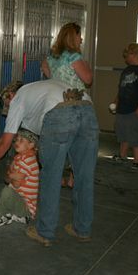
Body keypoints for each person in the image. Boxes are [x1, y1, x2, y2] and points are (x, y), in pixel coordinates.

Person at [0, 79, 99, 246]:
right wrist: (73, 170)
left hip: (59, 114)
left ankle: (45, 232)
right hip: (88, 109)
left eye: (6, 105)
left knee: (50, 177)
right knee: (84, 177)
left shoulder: (18, 98)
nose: (7, 111)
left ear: (11, 95)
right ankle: (82, 229)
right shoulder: (41, 89)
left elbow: (5, 142)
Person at [41, 22, 93, 187]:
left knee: (61, 144)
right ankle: (73, 179)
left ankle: (56, 178)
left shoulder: (52, 57)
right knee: (78, 144)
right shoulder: (74, 57)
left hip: (57, 105)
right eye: (79, 35)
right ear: (73, 37)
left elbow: (47, 72)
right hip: (77, 105)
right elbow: (88, 79)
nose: (81, 38)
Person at [0, 129, 40, 226]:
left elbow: (15, 184)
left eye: (21, 140)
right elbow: (8, 178)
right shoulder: (19, 158)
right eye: (16, 140)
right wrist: (12, 176)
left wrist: (10, 175)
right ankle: (8, 214)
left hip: (24, 205)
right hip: (13, 200)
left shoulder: (28, 160)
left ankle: (20, 215)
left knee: (7, 191)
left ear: (31, 145)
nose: (17, 142)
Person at [111, 43, 138, 170]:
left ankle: (137, 160)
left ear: (134, 54)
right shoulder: (127, 70)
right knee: (122, 132)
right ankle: (123, 155)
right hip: (122, 108)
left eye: (127, 55)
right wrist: (116, 101)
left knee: (135, 134)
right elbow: (121, 88)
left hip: (134, 108)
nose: (125, 58)